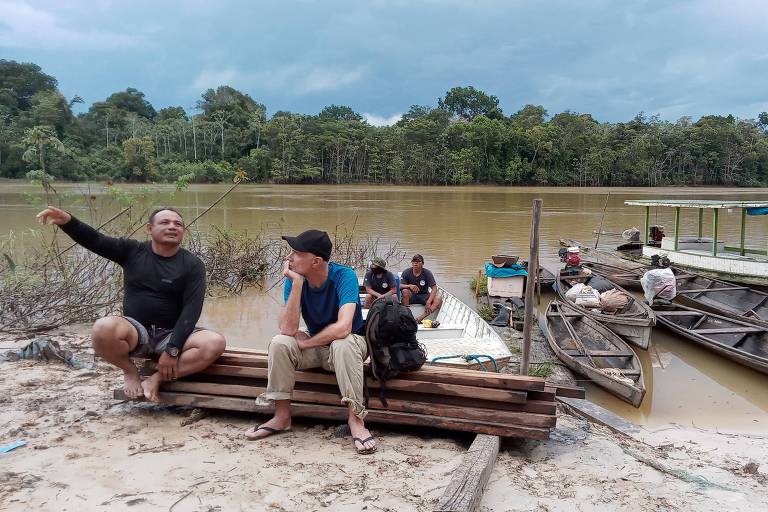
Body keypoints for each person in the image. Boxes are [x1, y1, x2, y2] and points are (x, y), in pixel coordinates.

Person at [35, 205, 226, 402]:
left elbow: (192, 309)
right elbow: (96, 241)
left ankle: (155, 379)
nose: (172, 227)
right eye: (165, 222)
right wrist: (68, 221)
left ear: (183, 232)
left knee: (214, 343)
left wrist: (173, 349)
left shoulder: (193, 264)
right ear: (149, 228)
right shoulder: (132, 251)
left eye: (178, 224)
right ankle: (129, 370)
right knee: (103, 327)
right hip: (137, 332)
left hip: (171, 332)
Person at [246, 229, 376, 455]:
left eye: (296, 253)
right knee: (279, 343)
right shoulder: (296, 278)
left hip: (349, 346)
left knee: (342, 343)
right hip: (319, 348)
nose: (289, 258)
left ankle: (356, 420)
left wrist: (307, 343)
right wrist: (296, 285)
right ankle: (281, 417)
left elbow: (344, 327)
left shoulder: (344, 276)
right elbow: (287, 329)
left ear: (316, 261)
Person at [400, 254, 442, 322]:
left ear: (422, 263)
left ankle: (421, 317)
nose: (415, 263)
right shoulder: (406, 272)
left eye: (418, 261)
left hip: (424, 296)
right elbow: (399, 286)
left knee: (438, 299)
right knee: (405, 291)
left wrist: (429, 301)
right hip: (411, 297)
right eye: (414, 261)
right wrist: (409, 286)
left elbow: (434, 287)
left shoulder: (427, 273)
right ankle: (407, 316)